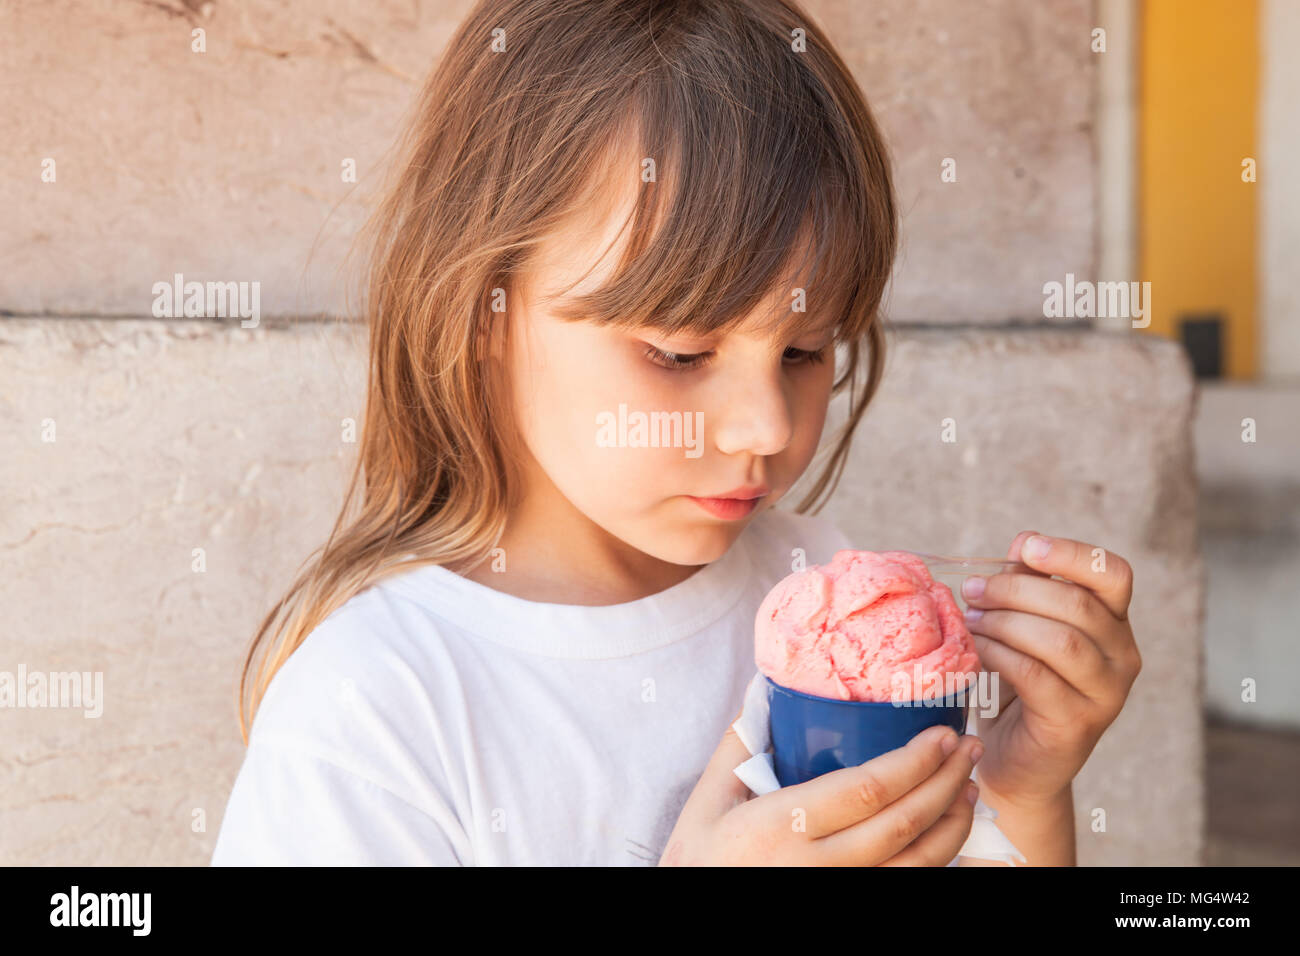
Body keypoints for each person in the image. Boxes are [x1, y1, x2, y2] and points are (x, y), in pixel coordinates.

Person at [212, 0, 1140, 866]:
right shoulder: (376, 709)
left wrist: (1019, 796)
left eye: (806, 352)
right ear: (482, 308)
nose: (766, 426)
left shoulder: (813, 591)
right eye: (679, 352)